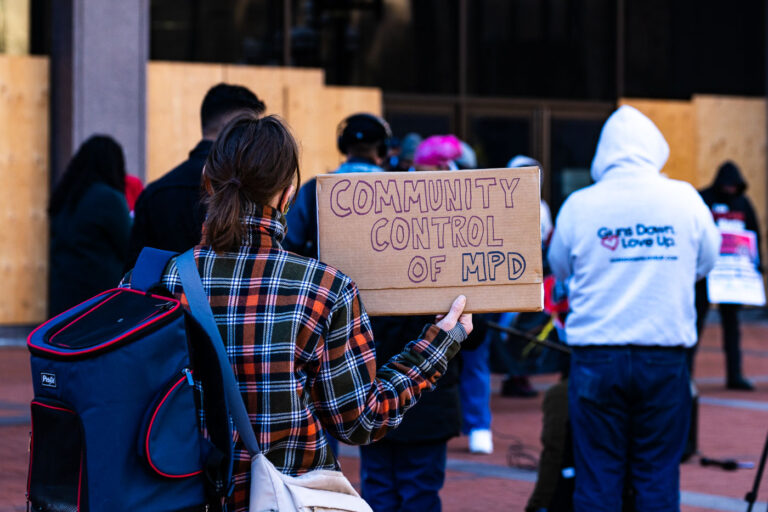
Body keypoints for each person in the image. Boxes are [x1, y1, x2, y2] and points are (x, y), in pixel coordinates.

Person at [124, 113, 472, 512]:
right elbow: (359, 421)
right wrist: (439, 344)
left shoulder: (150, 283)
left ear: (207, 181)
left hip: (175, 498)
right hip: (281, 499)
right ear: (288, 193)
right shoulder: (324, 288)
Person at [547, 105, 720, 511]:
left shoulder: (579, 204)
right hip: (663, 353)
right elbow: (707, 262)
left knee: (597, 475)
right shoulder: (685, 199)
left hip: (596, 356)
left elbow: (560, 267)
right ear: (654, 148)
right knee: (658, 474)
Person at [126, 83, 266, 268]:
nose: (259, 139)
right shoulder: (250, 188)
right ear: (231, 127)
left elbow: (135, 274)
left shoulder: (155, 194)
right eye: (250, 128)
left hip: (166, 296)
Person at [284, 112, 391, 258]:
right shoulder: (400, 189)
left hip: (324, 279)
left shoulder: (311, 190)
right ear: (383, 149)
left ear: (342, 145)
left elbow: (289, 242)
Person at [694, 161, 761, 390]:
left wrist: (755, 263)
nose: (731, 190)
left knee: (732, 327)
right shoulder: (702, 199)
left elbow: (753, 234)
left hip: (733, 278)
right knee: (695, 323)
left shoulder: (743, 203)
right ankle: (686, 375)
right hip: (704, 275)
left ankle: (735, 375)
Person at [49, 135, 132, 316]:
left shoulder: (66, 197)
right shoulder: (108, 198)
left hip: (63, 299)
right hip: (98, 301)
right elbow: (129, 244)